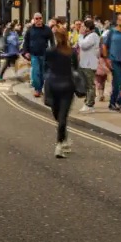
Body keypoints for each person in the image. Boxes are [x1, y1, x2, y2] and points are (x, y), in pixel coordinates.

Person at [45, 23, 77, 158]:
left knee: (58, 116)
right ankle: (61, 142)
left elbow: (45, 68)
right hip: (67, 86)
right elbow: (76, 68)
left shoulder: (50, 51)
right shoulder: (72, 52)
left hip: (52, 86)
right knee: (62, 117)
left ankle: (61, 143)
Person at [103, 13, 121, 112]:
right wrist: (106, 59)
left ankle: (118, 101)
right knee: (117, 81)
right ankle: (113, 102)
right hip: (113, 60)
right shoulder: (112, 32)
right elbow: (104, 46)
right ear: (118, 21)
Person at [20, 13, 53, 100]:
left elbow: (52, 42)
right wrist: (25, 52)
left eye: (40, 18)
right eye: (36, 19)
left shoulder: (47, 29)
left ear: (42, 19)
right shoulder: (30, 30)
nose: (38, 20)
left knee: (42, 73)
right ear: (34, 20)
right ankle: (37, 89)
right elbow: (26, 42)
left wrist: (52, 52)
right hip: (33, 54)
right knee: (35, 72)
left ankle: (39, 89)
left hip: (44, 54)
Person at [77, 20, 102, 113]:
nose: (81, 28)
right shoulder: (88, 36)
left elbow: (83, 45)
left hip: (89, 64)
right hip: (85, 63)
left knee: (90, 84)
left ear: (88, 28)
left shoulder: (93, 36)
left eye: (83, 26)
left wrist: (80, 35)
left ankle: (90, 104)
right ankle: (87, 102)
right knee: (87, 84)